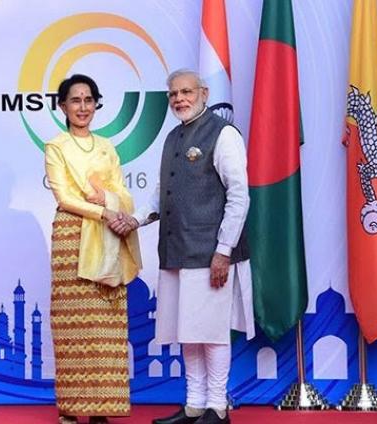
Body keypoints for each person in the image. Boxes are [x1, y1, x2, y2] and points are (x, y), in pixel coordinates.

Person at [116, 69, 255, 424]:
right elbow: (162, 191)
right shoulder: (173, 137)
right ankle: (194, 405)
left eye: (186, 92)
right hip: (176, 252)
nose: (179, 99)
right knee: (188, 333)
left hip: (210, 254)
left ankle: (217, 407)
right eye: (173, 94)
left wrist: (224, 250)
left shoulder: (223, 134)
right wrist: (137, 219)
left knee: (211, 331)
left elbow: (239, 196)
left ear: (204, 93)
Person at [44, 74, 141, 424]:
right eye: (75, 100)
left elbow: (124, 195)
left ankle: (101, 407)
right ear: (62, 106)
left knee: (106, 323)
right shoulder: (56, 146)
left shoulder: (107, 147)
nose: (82, 107)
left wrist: (112, 203)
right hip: (73, 237)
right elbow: (65, 197)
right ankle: (71, 408)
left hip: (109, 235)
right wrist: (104, 210)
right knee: (73, 325)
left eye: (88, 100)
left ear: (96, 104)